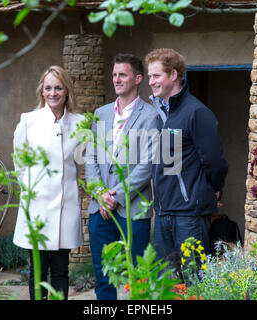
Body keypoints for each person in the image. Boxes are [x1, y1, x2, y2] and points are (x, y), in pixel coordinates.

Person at [145, 48, 228, 274]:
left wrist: (214, 189)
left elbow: (215, 161)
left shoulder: (197, 112)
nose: (151, 81)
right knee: (166, 285)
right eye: (150, 76)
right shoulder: (160, 114)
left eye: (156, 76)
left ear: (173, 75)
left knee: (194, 283)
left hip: (189, 214)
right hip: (162, 213)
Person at [85, 53, 159, 300]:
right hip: (99, 208)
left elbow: (147, 164)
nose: (116, 79)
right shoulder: (101, 113)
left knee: (137, 275)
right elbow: (91, 158)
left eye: (122, 74)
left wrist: (116, 196)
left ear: (138, 79)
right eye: (115, 74)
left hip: (133, 208)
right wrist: (99, 193)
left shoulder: (151, 116)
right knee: (103, 275)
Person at [12, 65, 84, 300]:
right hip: (38, 208)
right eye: (48, 88)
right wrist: (32, 191)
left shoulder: (79, 123)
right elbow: (20, 163)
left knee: (62, 271)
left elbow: (82, 162)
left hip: (66, 207)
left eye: (58, 88)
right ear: (42, 91)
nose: (53, 93)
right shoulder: (28, 121)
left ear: (66, 92)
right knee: (38, 271)